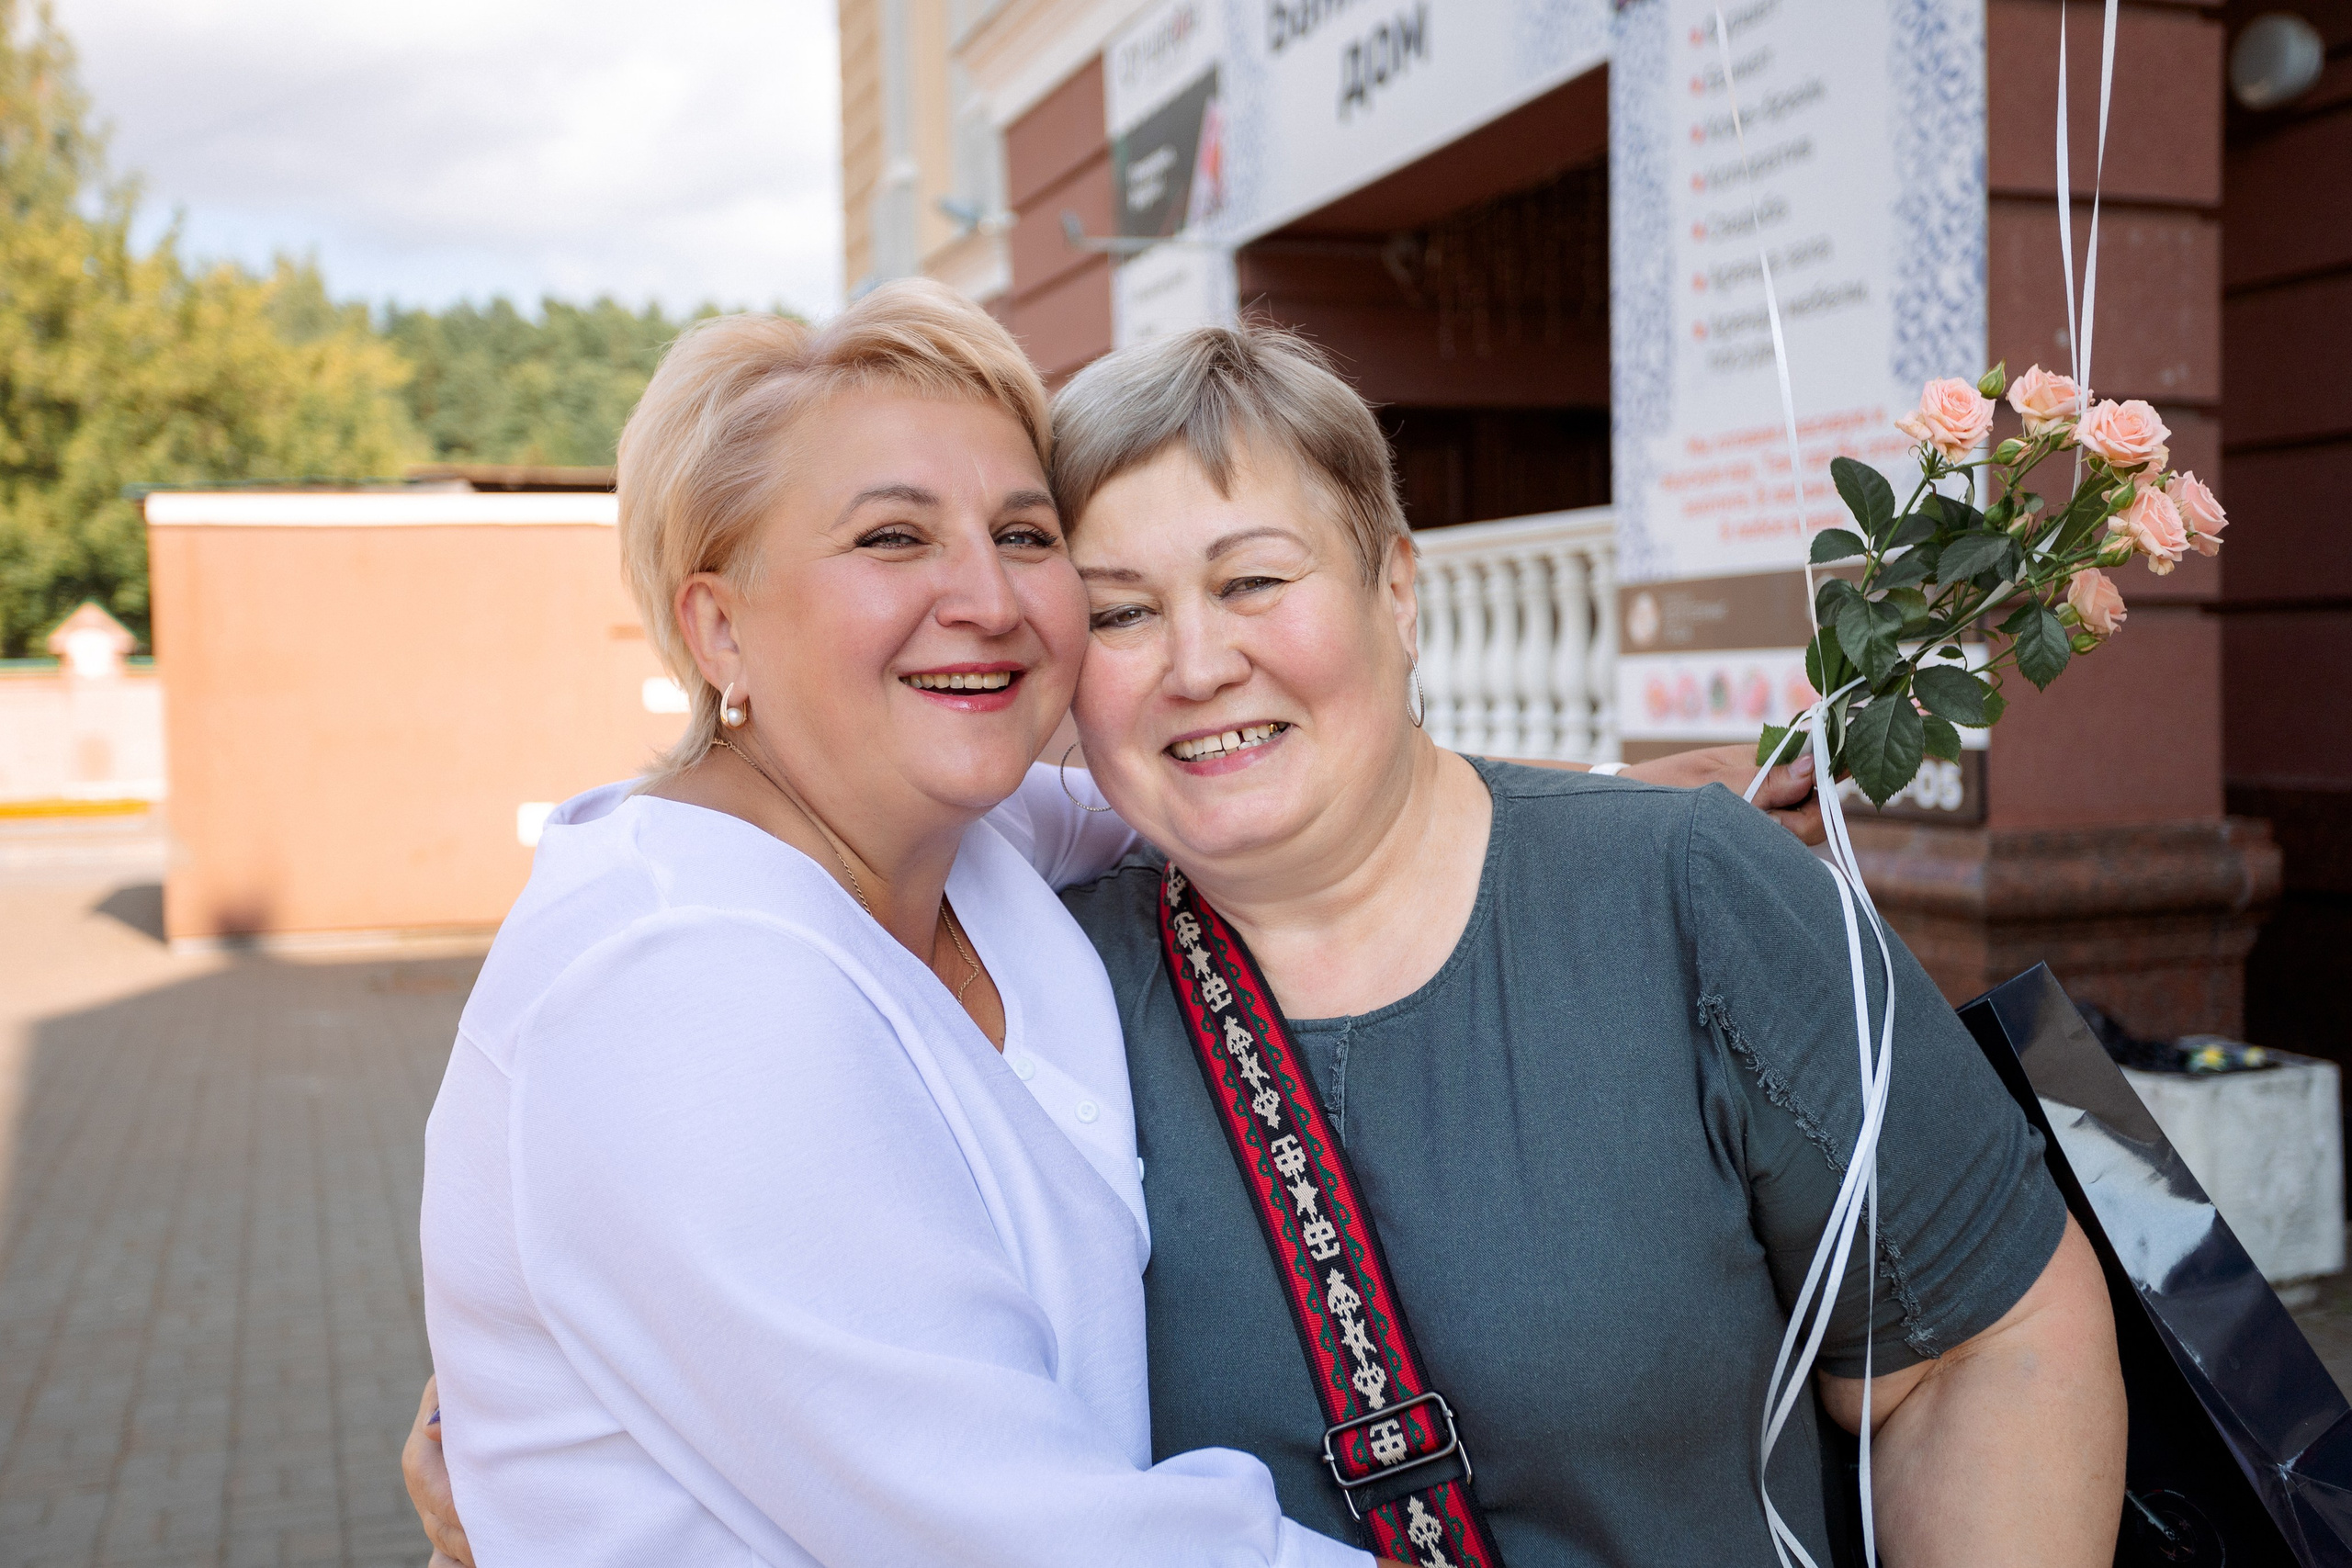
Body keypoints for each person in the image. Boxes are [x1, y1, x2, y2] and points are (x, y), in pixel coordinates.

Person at [411, 307, 2124, 1566]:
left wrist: (1608, 817)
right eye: (1127, 607)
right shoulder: (707, 986)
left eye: (1021, 541)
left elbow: (1988, 1349)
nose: (1189, 661)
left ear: (1395, 580)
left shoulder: (989, 872)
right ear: (715, 618)